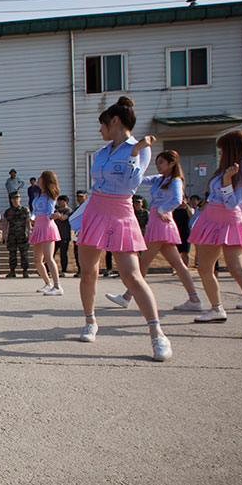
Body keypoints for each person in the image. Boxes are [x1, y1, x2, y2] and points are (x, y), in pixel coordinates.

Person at [72, 96, 172, 361]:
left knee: (132, 276)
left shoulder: (140, 147)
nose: (99, 130)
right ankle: (90, 321)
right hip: (95, 210)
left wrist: (135, 152)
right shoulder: (101, 152)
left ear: (114, 121)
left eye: (102, 125)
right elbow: (97, 182)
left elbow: (131, 185)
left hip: (120, 212)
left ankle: (158, 334)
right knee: (88, 272)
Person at [188, 129, 242, 338]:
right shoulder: (224, 169)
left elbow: (232, 202)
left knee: (237, 268)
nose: (219, 154)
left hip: (229, 220)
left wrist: (227, 179)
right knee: (204, 268)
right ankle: (216, 308)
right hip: (211, 218)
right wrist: (225, 176)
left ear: (232, 149)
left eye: (222, 150)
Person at [104, 150, 203, 312]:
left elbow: (178, 199)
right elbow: (140, 180)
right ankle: (194, 298)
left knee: (143, 263)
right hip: (158, 222)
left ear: (172, 164)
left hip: (161, 222)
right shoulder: (159, 179)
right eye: (157, 162)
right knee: (176, 264)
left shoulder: (175, 180)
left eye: (161, 162)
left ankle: (127, 296)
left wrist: (163, 209)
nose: (158, 166)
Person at [28, 171, 63, 295]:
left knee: (49, 257)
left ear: (45, 180)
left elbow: (50, 211)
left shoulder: (50, 195)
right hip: (38, 226)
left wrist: (53, 216)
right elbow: (35, 210)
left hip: (47, 226)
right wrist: (32, 217)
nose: (38, 179)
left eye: (40, 177)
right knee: (37, 259)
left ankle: (58, 286)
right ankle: (48, 283)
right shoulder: (38, 195)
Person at [2, 193, 30, 278]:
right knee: (12, 254)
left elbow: (28, 222)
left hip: (22, 235)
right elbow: (5, 224)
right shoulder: (8, 211)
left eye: (17, 198)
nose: (15, 200)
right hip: (12, 236)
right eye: (14, 198)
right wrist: (4, 235)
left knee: (24, 254)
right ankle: (12, 271)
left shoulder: (25, 210)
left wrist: (30, 232)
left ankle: (25, 271)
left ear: (20, 199)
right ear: (11, 200)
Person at [52, 195, 72, 276]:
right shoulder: (56, 211)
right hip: (55, 235)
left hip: (64, 235)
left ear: (66, 202)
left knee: (63, 253)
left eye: (62, 201)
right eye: (59, 201)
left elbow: (63, 218)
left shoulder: (68, 210)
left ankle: (63, 270)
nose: (60, 203)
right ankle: (49, 270)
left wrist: (58, 215)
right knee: (52, 253)